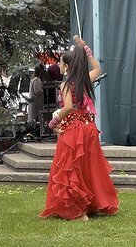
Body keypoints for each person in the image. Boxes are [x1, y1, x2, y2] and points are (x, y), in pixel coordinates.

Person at [39, 36, 119, 221]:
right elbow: (98, 68)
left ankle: (77, 210)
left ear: (66, 66)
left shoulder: (66, 84)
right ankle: (90, 205)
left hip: (74, 128)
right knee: (87, 167)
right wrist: (86, 48)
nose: (58, 65)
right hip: (88, 127)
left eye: (60, 62)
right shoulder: (84, 80)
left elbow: (67, 107)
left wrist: (52, 123)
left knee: (70, 167)